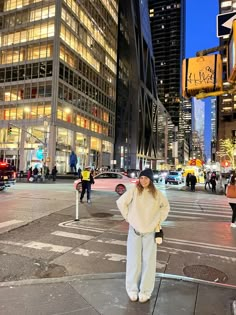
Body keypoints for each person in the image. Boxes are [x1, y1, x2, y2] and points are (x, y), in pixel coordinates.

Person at [116, 169, 170, 303]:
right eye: (141, 178)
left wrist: (158, 221)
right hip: (135, 230)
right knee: (133, 261)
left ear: (151, 180)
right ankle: (132, 289)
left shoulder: (157, 193)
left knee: (149, 262)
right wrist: (128, 218)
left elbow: (166, 207)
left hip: (150, 231)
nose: (144, 180)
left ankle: (145, 291)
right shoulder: (134, 190)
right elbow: (121, 202)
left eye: (146, 178)